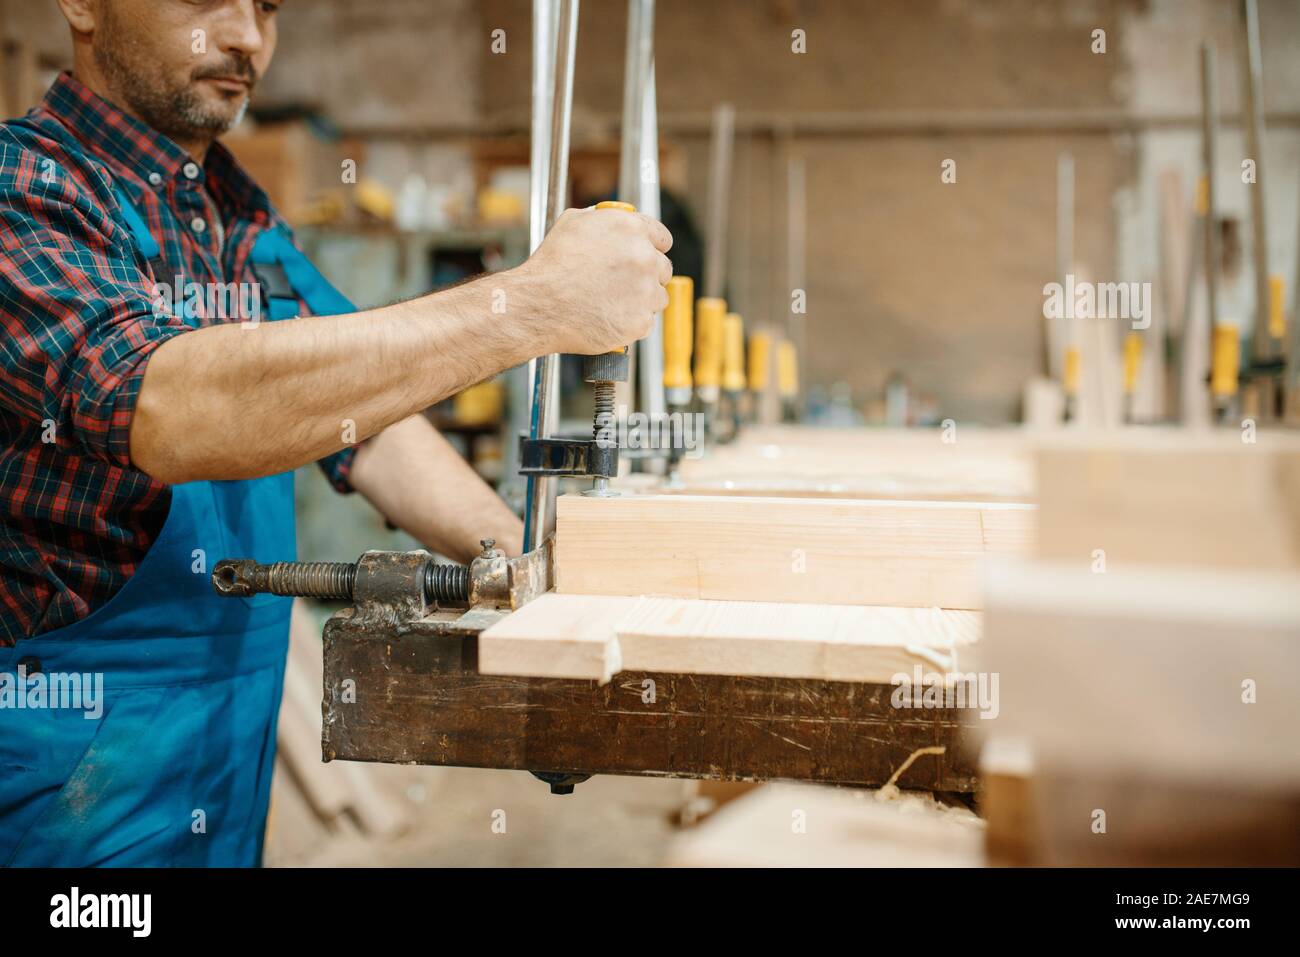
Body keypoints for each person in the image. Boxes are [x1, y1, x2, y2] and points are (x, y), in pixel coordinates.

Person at [0, 0, 672, 866]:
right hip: (60, 815)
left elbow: (369, 426)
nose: (246, 37)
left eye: (268, 6)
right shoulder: (25, 190)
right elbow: (164, 404)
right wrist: (531, 306)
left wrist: (525, 559)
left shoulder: (236, 216)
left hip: (218, 788)